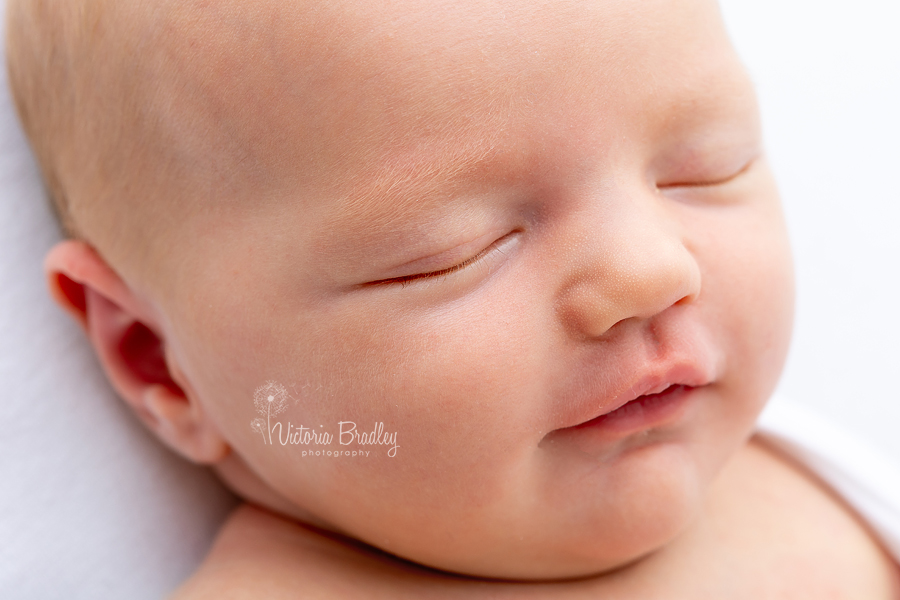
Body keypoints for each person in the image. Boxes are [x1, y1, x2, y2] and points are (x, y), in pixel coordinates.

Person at [6, 0, 899, 596]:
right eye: (449, 254)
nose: (649, 271)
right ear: (156, 358)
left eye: (708, 164)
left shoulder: (818, 486)